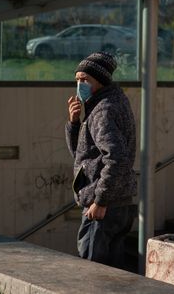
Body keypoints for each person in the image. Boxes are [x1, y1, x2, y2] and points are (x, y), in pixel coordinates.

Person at [65, 51, 137, 269]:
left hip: (103, 207)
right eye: (77, 79)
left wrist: (100, 200)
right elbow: (84, 154)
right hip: (120, 203)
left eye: (85, 80)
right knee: (113, 272)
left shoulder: (102, 111)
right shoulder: (112, 102)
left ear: (101, 80)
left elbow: (117, 158)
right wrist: (75, 123)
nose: (80, 84)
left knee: (92, 272)